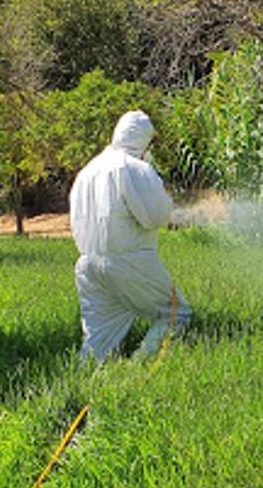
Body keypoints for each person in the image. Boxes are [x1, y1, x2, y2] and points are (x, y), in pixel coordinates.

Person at [69, 110, 191, 362]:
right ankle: (140, 369)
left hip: (88, 266)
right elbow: (155, 216)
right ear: (144, 140)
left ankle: (84, 383)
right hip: (128, 260)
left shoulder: (87, 171)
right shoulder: (133, 168)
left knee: (99, 336)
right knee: (175, 314)